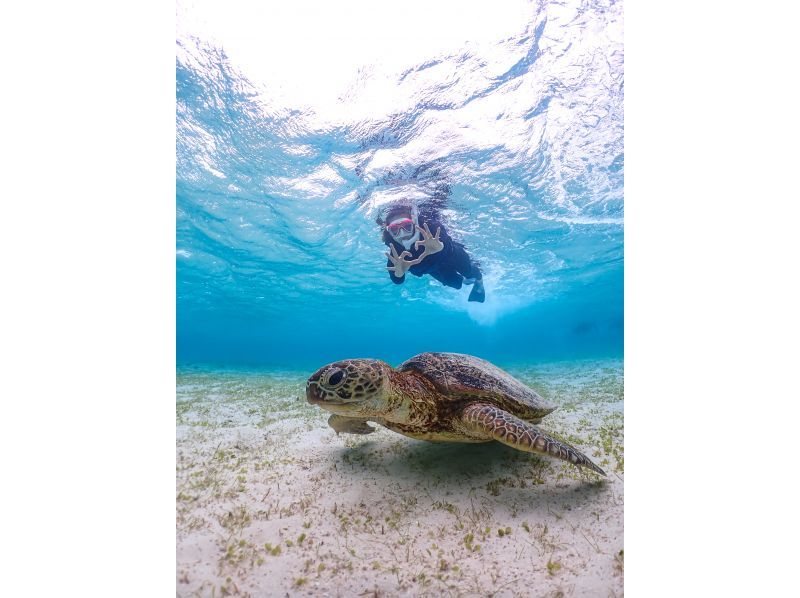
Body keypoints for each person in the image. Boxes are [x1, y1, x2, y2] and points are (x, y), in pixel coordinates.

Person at [378, 202, 486, 302]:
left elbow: (448, 243)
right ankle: (465, 280)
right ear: (389, 232)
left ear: (414, 223)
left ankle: (479, 281)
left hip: (451, 256)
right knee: (455, 284)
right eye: (395, 230)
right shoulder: (396, 252)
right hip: (432, 268)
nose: (402, 234)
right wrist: (399, 273)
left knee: (468, 271)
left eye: (406, 226)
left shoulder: (430, 227)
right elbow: (397, 280)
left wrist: (441, 247)